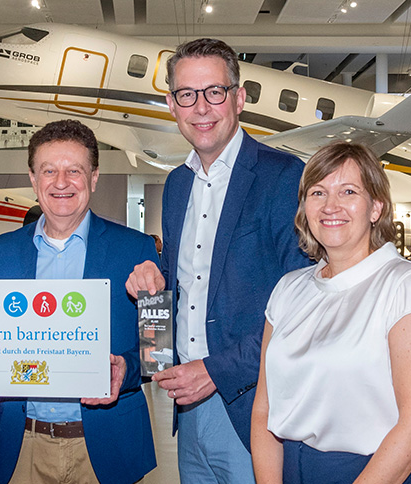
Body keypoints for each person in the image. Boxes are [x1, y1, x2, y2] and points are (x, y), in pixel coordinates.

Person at [125, 38, 309, 483]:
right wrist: (151, 285)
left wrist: (215, 371)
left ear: (239, 98)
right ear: (171, 104)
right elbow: (181, 287)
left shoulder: (284, 177)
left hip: (253, 405)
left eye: (215, 91)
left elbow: (302, 306)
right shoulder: (177, 185)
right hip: (188, 409)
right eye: (187, 94)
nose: (201, 107)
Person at [0, 119, 158, 484]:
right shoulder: (4, 251)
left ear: (93, 178)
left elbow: (161, 350)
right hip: (25, 443)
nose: (61, 183)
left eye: (74, 170)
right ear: (33, 179)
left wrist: (127, 370)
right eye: (49, 171)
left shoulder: (135, 250)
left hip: (107, 447)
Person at [250, 142, 411, 483]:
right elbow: (264, 411)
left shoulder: (407, 287)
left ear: (376, 207)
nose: (331, 206)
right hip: (293, 470)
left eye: (348, 191)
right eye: (318, 193)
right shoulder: (288, 289)